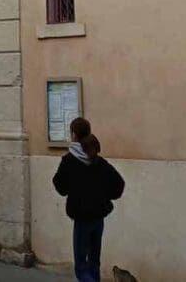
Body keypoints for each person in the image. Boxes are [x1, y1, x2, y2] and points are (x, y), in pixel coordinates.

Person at [53, 119, 125, 282]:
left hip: (82, 219)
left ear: (74, 135)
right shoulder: (98, 160)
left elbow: (60, 187)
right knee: (94, 262)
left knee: (81, 268)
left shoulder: (69, 161)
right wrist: (103, 196)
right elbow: (118, 184)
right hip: (98, 218)